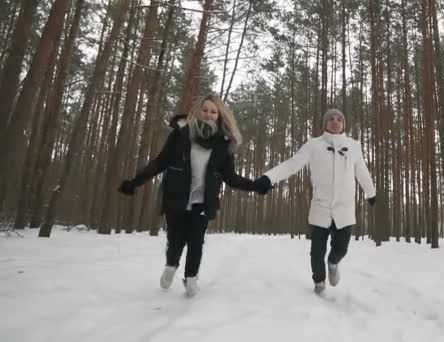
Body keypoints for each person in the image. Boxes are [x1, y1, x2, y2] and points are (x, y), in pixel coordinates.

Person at [118, 94, 267, 297]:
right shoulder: (181, 135)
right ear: (197, 111)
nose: (208, 114)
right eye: (205, 110)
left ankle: (191, 278)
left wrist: (255, 185)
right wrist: (135, 182)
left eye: (213, 111)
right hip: (176, 197)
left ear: (219, 115)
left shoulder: (223, 144)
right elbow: (160, 162)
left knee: (196, 241)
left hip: (203, 201)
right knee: (175, 239)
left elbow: (230, 178)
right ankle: (171, 265)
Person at [254, 109, 376, 294]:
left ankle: (333, 263)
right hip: (321, 207)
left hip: (344, 209)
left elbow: (362, 172)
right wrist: (268, 178)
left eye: (339, 119)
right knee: (317, 251)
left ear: (344, 124)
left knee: (341, 248)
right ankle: (319, 282)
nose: (335, 122)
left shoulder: (353, 146)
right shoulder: (313, 145)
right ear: (325, 124)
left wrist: (370, 192)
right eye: (331, 119)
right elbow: (291, 164)